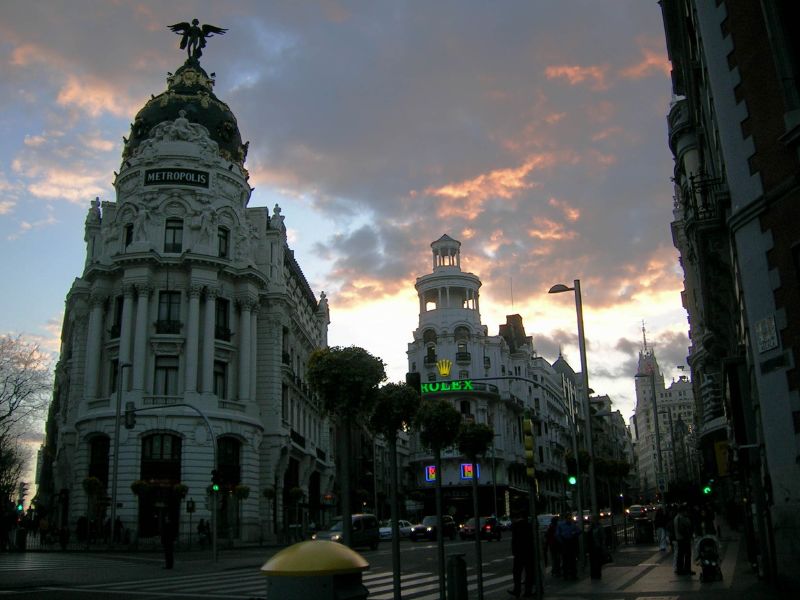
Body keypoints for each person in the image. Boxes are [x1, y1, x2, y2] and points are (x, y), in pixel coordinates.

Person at [507, 507, 535, 598]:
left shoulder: (516, 526)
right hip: (529, 552)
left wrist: (514, 552)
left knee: (517, 573)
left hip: (519, 553)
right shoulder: (528, 525)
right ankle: (528, 591)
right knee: (529, 573)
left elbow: (515, 541)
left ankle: (517, 590)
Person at [556, 512, 581, 580]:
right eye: (568, 518)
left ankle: (573, 574)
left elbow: (579, 531)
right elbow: (557, 534)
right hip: (565, 542)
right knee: (565, 560)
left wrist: (574, 533)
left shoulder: (573, 524)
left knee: (572, 559)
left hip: (571, 542)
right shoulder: (561, 524)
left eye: (570, 518)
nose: (569, 519)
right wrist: (562, 541)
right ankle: (565, 575)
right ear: (566, 518)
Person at [673, 504, 695, 575]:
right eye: (686, 511)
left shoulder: (677, 517)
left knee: (681, 554)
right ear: (683, 511)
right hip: (683, 539)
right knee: (686, 554)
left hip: (680, 538)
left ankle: (681, 569)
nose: (687, 513)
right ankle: (686, 569)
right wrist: (687, 535)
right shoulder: (680, 518)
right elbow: (681, 529)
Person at [587, 514, 606, 580]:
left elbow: (603, 537)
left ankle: (598, 574)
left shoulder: (599, 527)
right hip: (591, 546)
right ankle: (593, 574)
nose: (591, 520)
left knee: (597, 561)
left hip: (597, 546)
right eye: (591, 519)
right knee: (592, 561)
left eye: (592, 519)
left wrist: (602, 545)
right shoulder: (590, 527)